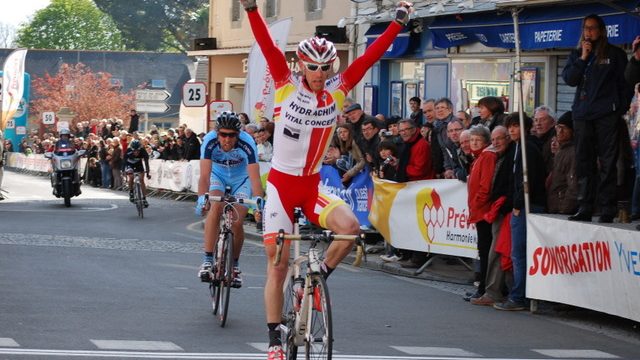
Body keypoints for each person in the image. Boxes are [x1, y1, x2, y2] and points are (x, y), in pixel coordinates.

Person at [240, 0, 414, 357]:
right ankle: (274, 337)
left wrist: (397, 23)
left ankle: (314, 283)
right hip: (282, 188)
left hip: (312, 185)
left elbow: (368, 59)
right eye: (313, 68)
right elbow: (268, 45)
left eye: (324, 68)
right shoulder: (285, 83)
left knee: (350, 228)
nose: (319, 74)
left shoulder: (338, 87)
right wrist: (253, 9)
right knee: (278, 264)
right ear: (302, 65)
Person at [562, 14, 632, 223]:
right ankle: (584, 205)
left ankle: (607, 208)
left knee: (608, 162)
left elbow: (626, 84)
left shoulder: (615, 54)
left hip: (606, 115)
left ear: (601, 30)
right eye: (586, 28)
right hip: (582, 115)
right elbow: (570, 79)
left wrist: (617, 109)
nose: (589, 32)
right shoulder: (577, 54)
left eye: (592, 28)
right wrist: (583, 58)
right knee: (584, 161)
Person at [195, 111, 264, 288]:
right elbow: (204, 176)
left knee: (237, 220)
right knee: (216, 205)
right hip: (218, 175)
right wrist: (202, 198)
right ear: (217, 133)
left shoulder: (247, 143)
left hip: (241, 179)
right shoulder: (209, 141)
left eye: (231, 135)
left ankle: (234, 265)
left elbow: (255, 177)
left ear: (238, 134)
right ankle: (208, 259)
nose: (227, 139)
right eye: (223, 135)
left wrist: (258, 201)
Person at [494, 113, 546, 311]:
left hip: (527, 205)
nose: (512, 130)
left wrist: (516, 205)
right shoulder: (517, 148)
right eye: (510, 126)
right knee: (518, 253)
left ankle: (519, 296)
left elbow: (527, 180)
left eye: (516, 126)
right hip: (521, 205)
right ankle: (519, 294)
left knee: (519, 253)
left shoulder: (527, 149)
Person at [464, 125, 496, 302]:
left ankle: (484, 288)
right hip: (479, 211)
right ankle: (482, 287)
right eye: (472, 140)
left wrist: (477, 205)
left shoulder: (487, 156)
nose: (473, 143)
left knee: (485, 251)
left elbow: (485, 186)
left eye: (477, 140)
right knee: (482, 250)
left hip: (484, 212)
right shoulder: (478, 158)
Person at [547, 111, 578, 214]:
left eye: (563, 128)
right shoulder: (561, 150)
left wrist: (563, 209)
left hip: (563, 210)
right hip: (555, 206)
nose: (559, 131)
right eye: (558, 127)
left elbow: (573, 185)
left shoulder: (573, 152)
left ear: (572, 131)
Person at [123, 139, 151, 208]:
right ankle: (131, 192)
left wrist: (147, 173)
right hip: (130, 164)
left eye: (137, 151)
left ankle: (144, 199)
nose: (136, 152)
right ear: (131, 150)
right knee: (131, 177)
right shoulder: (128, 151)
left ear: (140, 149)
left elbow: (147, 163)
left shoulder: (143, 151)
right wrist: (124, 171)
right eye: (134, 151)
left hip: (139, 165)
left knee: (141, 180)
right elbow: (123, 163)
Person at [532, 105, 557, 176]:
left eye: (543, 120)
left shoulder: (554, 141)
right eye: (536, 120)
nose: (538, 124)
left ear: (552, 122)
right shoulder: (537, 138)